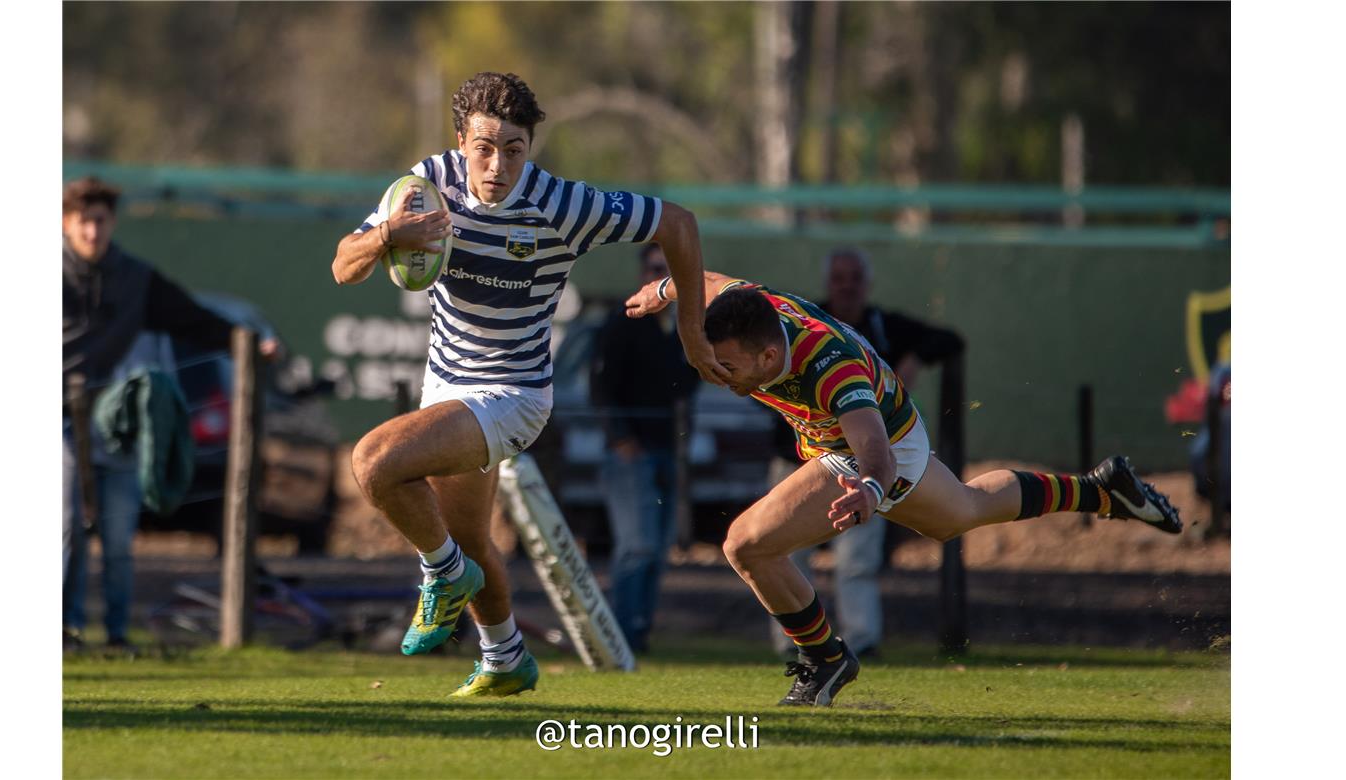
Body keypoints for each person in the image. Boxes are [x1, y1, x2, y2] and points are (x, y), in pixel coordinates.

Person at [331, 72, 726, 697]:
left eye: (513, 149)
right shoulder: (426, 184)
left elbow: (677, 224)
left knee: (373, 462)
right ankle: (505, 657)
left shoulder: (564, 205)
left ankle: (441, 576)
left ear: (529, 148)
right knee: (468, 540)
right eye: (484, 147)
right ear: (460, 140)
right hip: (447, 387)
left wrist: (691, 333)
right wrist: (388, 237)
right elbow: (342, 266)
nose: (497, 165)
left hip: (513, 397)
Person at [624, 271, 1180, 707]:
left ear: (770, 357)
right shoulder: (752, 310)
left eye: (726, 366)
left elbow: (874, 451)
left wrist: (868, 489)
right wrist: (667, 290)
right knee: (962, 511)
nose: (715, 374)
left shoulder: (831, 370)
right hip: (868, 437)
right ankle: (1104, 490)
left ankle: (824, 658)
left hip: (878, 446)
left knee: (744, 544)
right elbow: (715, 281)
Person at [63, 176, 278, 653]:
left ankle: (117, 636)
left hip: (111, 424)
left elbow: (191, 318)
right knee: (66, 524)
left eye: (100, 221)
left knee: (118, 539)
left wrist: (247, 343)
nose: (92, 232)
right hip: (58, 420)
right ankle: (65, 631)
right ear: (65, 225)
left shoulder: (133, 278)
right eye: (83, 223)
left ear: (111, 222)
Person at [768, 248, 964, 659]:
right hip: (801, 458)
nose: (847, 285)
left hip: (859, 460)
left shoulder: (881, 326)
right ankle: (796, 643)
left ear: (866, 283)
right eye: (839, 277)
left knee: (858, 556)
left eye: (854, 277)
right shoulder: (806, 323)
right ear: (828, 282)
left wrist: (911, 359)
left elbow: (948, 339)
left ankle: (860, 639)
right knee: (780, 549)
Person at [589, 244, 701, 653]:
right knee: (636, 546)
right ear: (642, 273)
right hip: (631, 451)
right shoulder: (621, 324)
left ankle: (639, 630)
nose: (661, 278)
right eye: (656, 269)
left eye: (669, 271)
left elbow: (690, 383)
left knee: (656, 549)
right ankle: (619, 632)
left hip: (668, 447)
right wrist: (620, 438)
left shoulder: (682, 325)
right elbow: (600, 388)